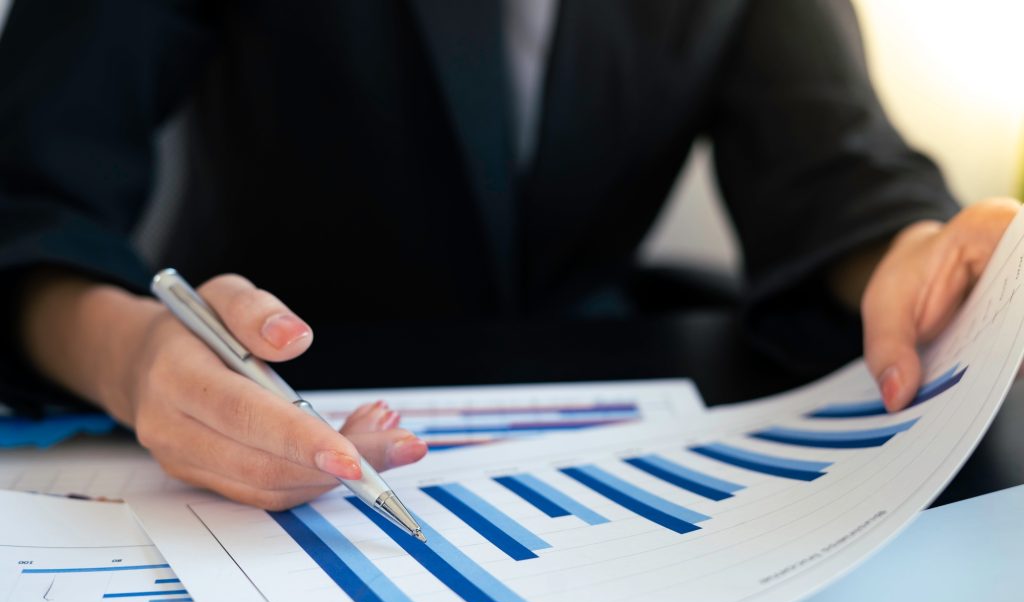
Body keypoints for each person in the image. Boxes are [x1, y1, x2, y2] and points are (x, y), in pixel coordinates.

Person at [0, 1, 1018, 510]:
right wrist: (128, 355)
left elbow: (835, 172)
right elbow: (27, 190)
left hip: (602, 409)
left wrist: (916, 260)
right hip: (258, 388)